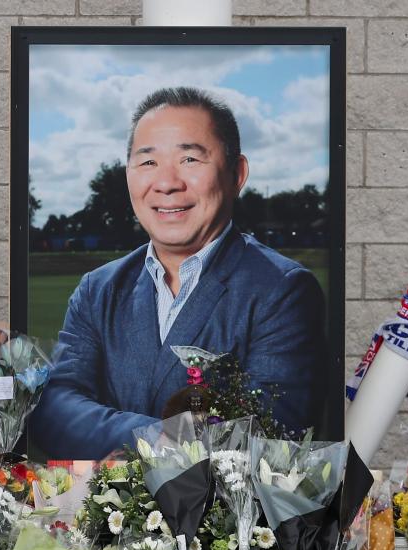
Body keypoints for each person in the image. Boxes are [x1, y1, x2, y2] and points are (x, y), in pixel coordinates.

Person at [30, 86, 328, 459]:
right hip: (102, 517)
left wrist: (122, 438)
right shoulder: (98, 290)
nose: (167, 182)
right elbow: (54, 410)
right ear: (128, 176)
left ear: (237, 173)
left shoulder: (282, 290)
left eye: (189, 159)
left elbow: (270, 437)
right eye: (148, 162)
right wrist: (156, 438)